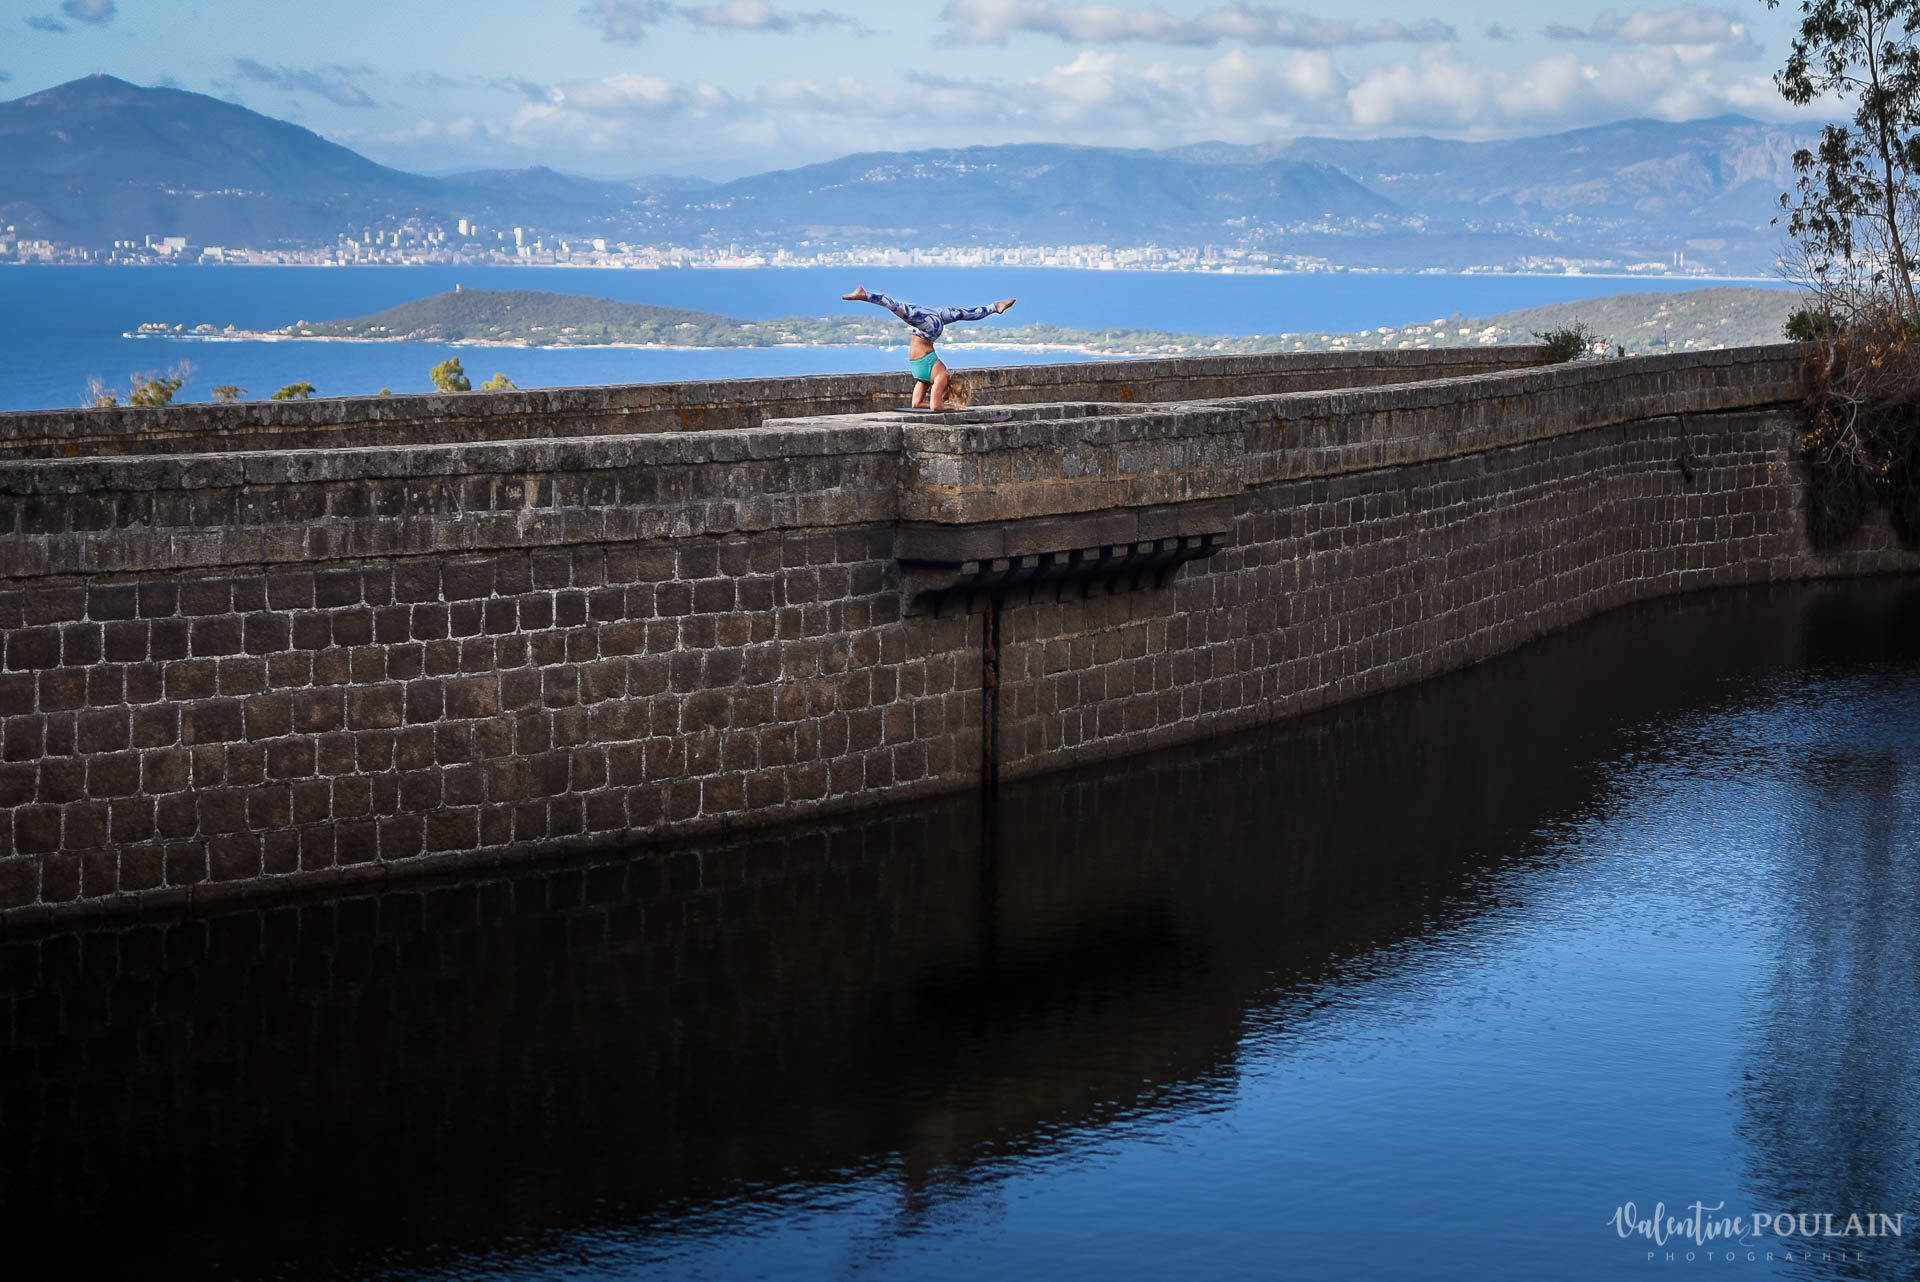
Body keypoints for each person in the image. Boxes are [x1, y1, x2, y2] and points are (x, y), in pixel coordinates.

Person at [842, 286, 1016, 410]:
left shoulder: (924, 380)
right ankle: (865, 295)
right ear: (949, 391)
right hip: (929, 328)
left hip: (925, 329)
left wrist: (945, 405)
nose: (940, 395)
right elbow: (936, 406)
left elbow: (917, 405)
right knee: (899, 308)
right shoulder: (940, 373)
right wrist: (950, 407)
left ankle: (994, 307)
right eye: (946, 396)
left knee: (962, 313)